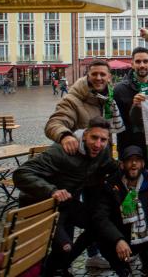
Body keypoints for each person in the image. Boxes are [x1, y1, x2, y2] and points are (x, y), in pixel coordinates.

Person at [13, 117, 119, 276]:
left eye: (103, 140)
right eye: (94, 138)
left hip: (68, 204)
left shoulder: (101, 152)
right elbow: (21, 174)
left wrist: (135, 167)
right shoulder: (61, 152)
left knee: (99, 225)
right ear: (84, 135)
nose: (98, 144)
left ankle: (61, 265)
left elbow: (112, 167)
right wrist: (51, 190)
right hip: (42, 205)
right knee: (64, 247)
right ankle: (48, 271)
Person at [93, 146, 148, 276]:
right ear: (121, 165)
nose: (133, 164)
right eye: (129, 160)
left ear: (143, 164)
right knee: (105, 243)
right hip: (123, 234)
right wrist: (117, 240)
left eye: (137, 160)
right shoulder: (111, 184)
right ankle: (123, 270)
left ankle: (147, 260)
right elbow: (101, 217)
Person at [45, 59, 125, 155]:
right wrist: (65, 136)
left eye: (102, 74)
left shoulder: (110, 100)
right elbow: (54, 123)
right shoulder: (72, 100)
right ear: (88, 76)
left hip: (102, 159)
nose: (98, 78)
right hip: (79, 160)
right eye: (94, 74)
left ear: (109, 77)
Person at [114, 47, 148, 155]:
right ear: (132, 64)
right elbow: (119, 125)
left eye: (145, 61)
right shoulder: (119, 89)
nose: (142, 65)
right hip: (131, 147)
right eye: (138, 61)